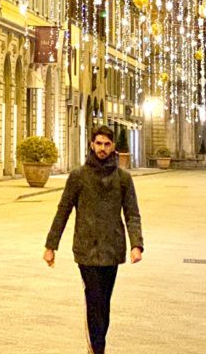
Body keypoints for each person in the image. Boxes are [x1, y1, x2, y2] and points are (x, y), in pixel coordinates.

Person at [43, 125, 143, 354]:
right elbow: (63, 210)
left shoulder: (123, 179)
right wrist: (51, 246)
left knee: (104, 304)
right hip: (86, 250)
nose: (102, 148)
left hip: (112, 249)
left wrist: (136, 244)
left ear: (113, 147)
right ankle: (98, 349)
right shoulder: (79, 176)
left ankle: (96, 346)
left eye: (107, 144)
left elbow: (132, 213)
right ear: (91, 144)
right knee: (94, 299)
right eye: (98, 143)